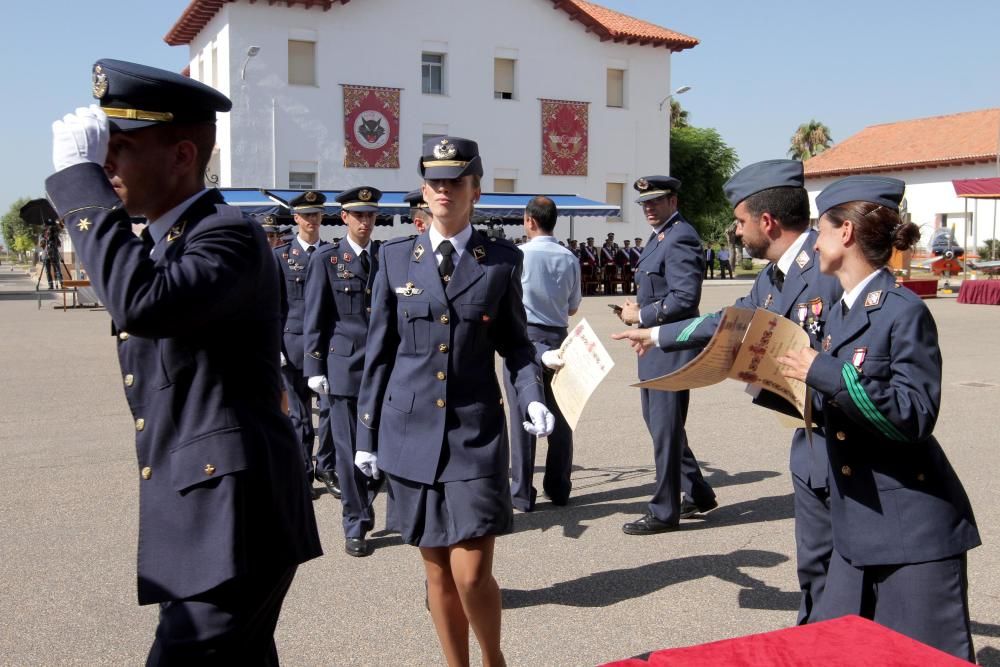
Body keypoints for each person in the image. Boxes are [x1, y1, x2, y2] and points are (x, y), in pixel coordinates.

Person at [46, 58, 321, 662]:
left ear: (181, 156)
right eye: (101, 151)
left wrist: (77, 181)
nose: (106, 164)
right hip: (204, 517)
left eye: (119, 147)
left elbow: (140, 303)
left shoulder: (228, 235)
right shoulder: (164, 244)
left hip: (235, 522)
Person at [613, 160, 842, 622]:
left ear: (766, 221)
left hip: (843, 437)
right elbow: (727, 320)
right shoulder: (773, 275)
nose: (735, 234)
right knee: (817, 562)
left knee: (845, 560)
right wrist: (655, 336)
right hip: (807, 435)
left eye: (739, 222)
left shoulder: (824, 270)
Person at [355, 136, 554, 667]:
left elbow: (515, 343)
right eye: (435, 182)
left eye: (456, 181)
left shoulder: (501, 263)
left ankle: (493, 658)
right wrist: (365, 435)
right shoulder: (396, 259)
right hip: (408, 434)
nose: (444, 190)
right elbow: (379, 353)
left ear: (476, 192)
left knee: (471, 572)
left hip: (474, 432)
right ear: (424, 192)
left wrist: (531, 395)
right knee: (437, 570)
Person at [778, 176, 980, 660]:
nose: (813, 241)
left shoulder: (901, 311)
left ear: (844, 233)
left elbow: (913, 416)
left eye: (819, 230)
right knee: (841, 652)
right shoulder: (835, 311)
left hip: (910, 530)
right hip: (857, 522)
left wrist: (823, 371)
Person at [614, 175, 715, 535]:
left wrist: (640, 316)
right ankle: (699, 492)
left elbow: (685, 298)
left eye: (655, 202)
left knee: (665, 430)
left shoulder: (681, 236)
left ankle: (664, 510)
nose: (649, 209)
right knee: (663, 427)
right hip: (656, 344)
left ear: (673, 200)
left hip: (671, 347)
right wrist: (638, 307)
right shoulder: (662, 237)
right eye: (644, 204)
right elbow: (662, 290)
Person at [303, 186, 382, 557]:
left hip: (382, 368)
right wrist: (314, 365)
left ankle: (368, 501)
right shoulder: (327, 260)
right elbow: (315, 316)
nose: (365, 221)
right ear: (345, 218)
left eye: (370, 215)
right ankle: (356, 523)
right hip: (344, 369)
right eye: (358, 215)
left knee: (380, 450)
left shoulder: (386, 258)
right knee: (350, 451)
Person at [503, 195, 581, 512]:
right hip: (560, 338)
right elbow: (573, 306)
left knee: (524, 417)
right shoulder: (569, 257)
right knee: (562, 416)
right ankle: (559, 487)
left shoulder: (518, 255)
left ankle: (522, 492)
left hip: (525, 336)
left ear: (530, 221)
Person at [274, 191, 340, 499]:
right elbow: (273, 306)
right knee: (299, 415)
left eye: (316, 215)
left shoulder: (332, 253)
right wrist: (276, 348)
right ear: (296, 218)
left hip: (328, 346)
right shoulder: (281, 256)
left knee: (329, 410)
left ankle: (325, 465)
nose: (312, 220)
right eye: (306, 215)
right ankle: (302, 472)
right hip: (294, 344)